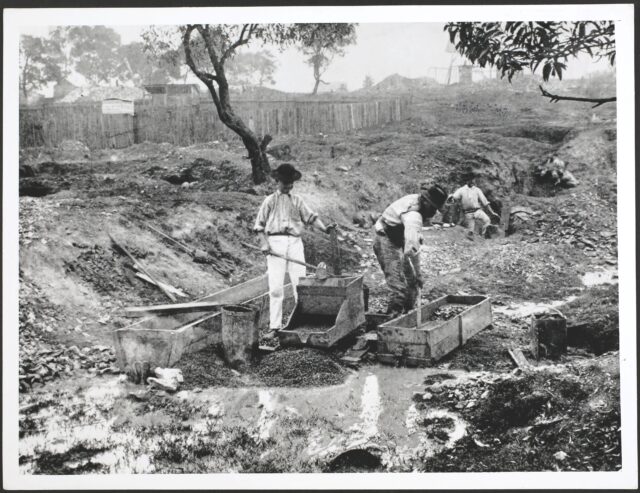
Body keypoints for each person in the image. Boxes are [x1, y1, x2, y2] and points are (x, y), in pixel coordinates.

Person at [254, 163, 335, 334]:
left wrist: (325, 228)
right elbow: (259, 226)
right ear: (278, 182)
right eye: (285, 183)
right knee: (276, 287)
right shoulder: (269, 201)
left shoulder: (297, 200)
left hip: (295, 243)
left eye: (290, 183)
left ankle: (301, 323)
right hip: (275, 243)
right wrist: (264, 243)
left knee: (300, 284)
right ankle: (275, 326)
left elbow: (311, 218)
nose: (288, 186)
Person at [373, 183, 448, 316]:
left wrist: (417, 276)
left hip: (398, 236)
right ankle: (391, 320)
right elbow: (411, 250)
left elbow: (413, 245)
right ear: (426, 202)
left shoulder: (417, 201)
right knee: (399, 287)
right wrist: (418, 273)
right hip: (386, 239)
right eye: (433, 208)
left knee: (412, 283)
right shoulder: (414, 216)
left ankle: (407, 315)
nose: (434, 212)